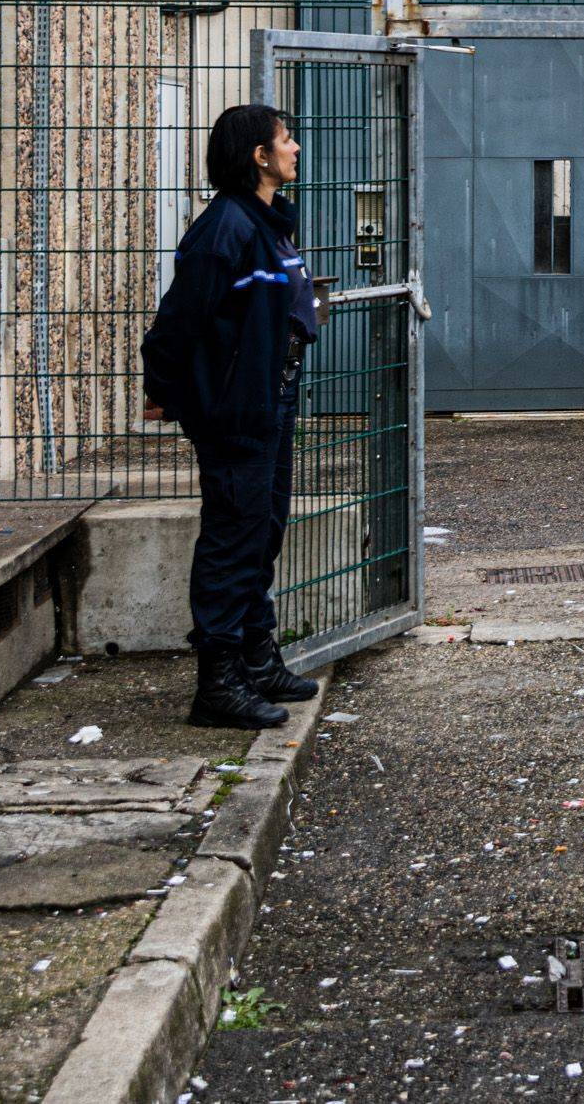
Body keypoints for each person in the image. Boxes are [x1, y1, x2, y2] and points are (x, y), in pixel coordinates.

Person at [141, 102, 324, 729]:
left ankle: (256, 656)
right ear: (259, 156)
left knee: (263, 528)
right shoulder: (226, 229)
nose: (295, 148)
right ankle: (217, 685)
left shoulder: (266, 223)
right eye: (286, 139)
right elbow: (177, 321)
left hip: (271, 399)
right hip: (237, 407)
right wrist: (164, 387)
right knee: (232, 537)